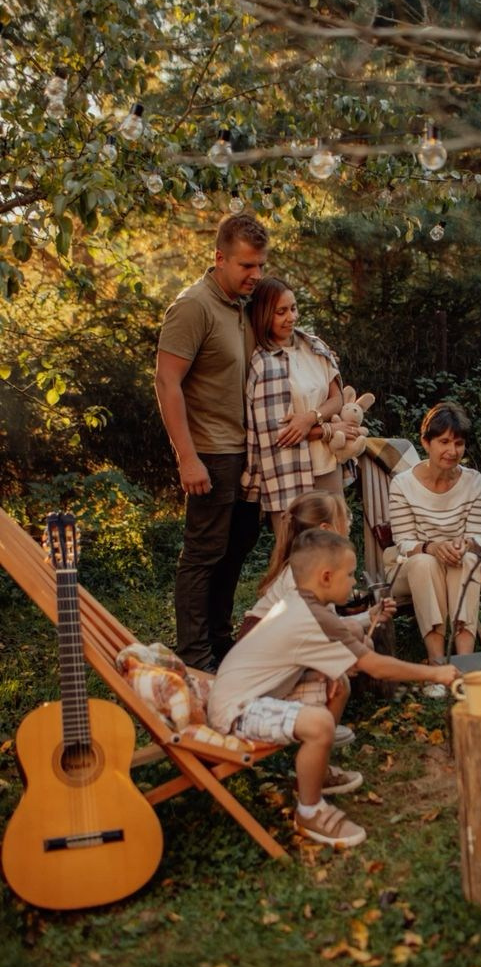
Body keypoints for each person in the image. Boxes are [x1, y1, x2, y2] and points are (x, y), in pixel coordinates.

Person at [208, 528, 459, 848]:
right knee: (320, 724)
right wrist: (435, 675)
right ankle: (309, 811)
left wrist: (371, 618)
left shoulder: (303, 603)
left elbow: (344, 629)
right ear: (326, 576)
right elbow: (376, 667)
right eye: (351, 575)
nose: (355, 582)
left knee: (337, 683)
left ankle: (318, 771)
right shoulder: (310, 618)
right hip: (236, 710)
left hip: (249, 694)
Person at [154, 213, 269, 673]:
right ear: (219, 258)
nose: (255, 276)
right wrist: (188, 458)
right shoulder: (193, 305)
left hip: (246, 453)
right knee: (203, 556)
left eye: (260, 266)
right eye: (246, 266)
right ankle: (195, 657)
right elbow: (166, 382)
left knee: (236, 550)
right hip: (211, 455)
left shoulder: (241, 304)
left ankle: (219, 643)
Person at [240, 276, 361, 536]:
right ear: (263, 315)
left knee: (336, 543)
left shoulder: (313, 346)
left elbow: (336, 398)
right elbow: (277, 434)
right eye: (281, 312)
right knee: (297, 552)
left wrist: (310, 418)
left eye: (293, 308)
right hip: (288, 472)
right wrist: (328, 430)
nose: (291, 317)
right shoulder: (262, 364)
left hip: (326, 465)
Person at [388, 401, 481, 671]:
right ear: (426, 442)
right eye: (444, 441)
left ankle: (465, 663)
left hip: (460, 562)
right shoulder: (403, 484)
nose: (451, 451)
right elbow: (404, 541)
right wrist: (431, 547)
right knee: (425, 563)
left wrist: (464, 544)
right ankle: (437, 663)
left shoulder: (475, 483)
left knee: (466, 561)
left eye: (458, 443)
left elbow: (479, 539)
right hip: (413, 564)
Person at [237, 489, 396, 642]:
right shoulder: (299, 575)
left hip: (289, 638)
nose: (349, 524)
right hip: (264, 640)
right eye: (346, 518)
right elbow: (315, 629)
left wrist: (369, 617)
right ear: (326, 529)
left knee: (361, 641)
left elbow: (326, 621)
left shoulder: (321, 565)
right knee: (353, 632)